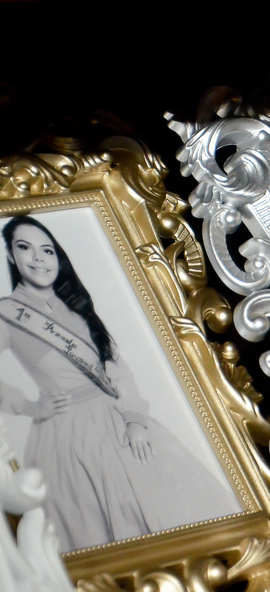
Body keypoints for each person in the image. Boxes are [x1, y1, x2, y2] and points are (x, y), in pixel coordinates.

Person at [0, 215, 241, 553]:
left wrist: (134, 419)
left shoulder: (76, 306)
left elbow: (118, 369)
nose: (39, 259)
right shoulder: (7, 314)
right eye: (25, 248)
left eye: (47, 250)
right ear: (11, 256)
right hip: (65, 436)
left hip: (117, 419)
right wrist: (29, 407)